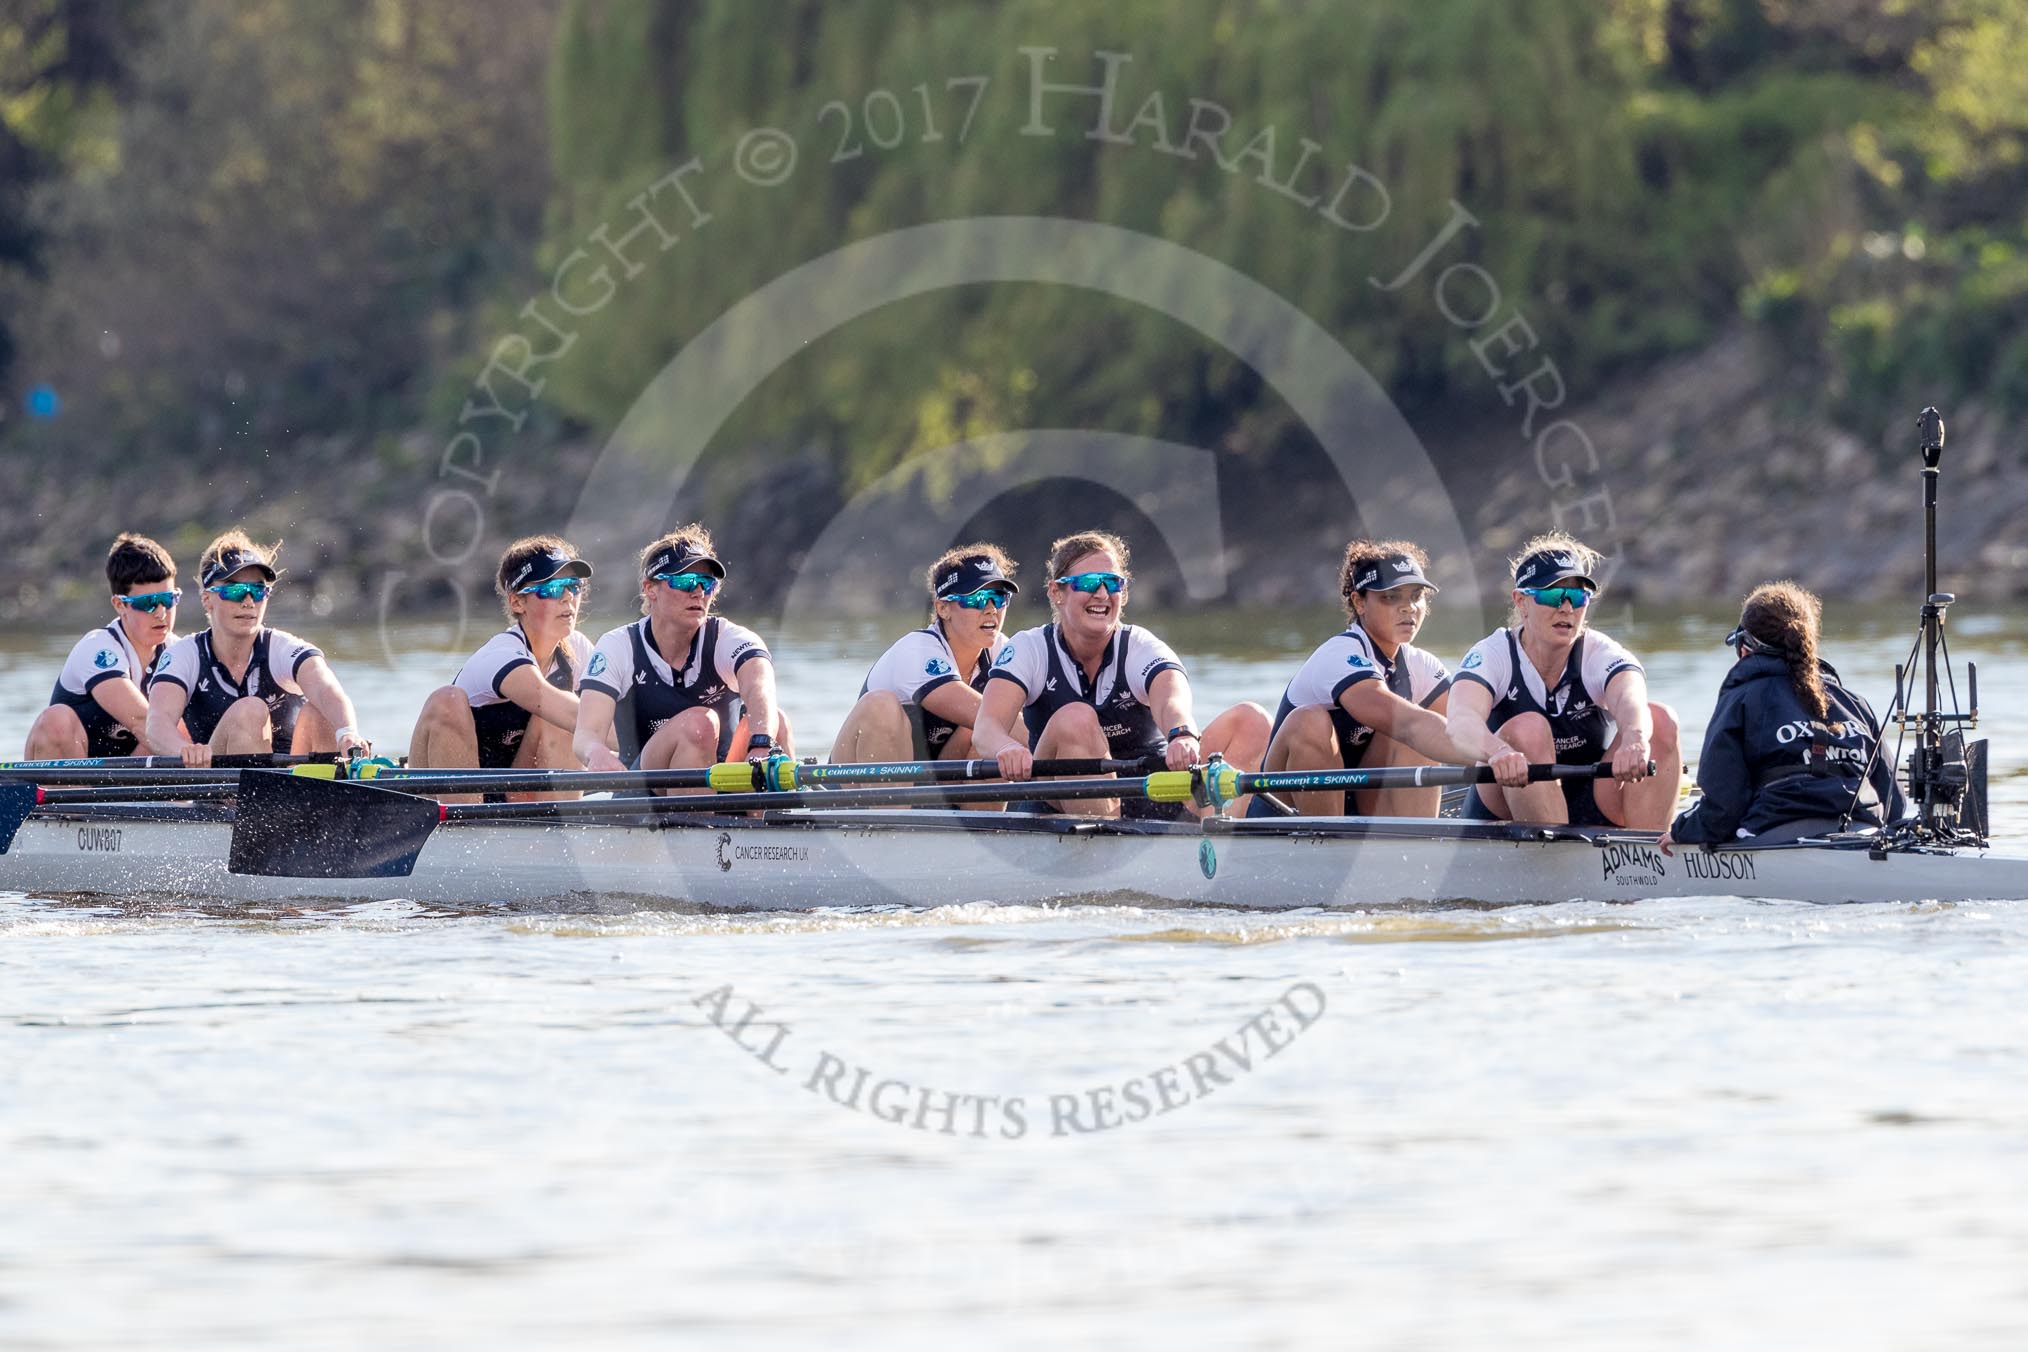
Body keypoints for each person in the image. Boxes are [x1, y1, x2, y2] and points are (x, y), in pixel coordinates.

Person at [971, 529, 1270, 818]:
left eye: (1113, 583)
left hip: (1155, 789)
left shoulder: (1140, 645)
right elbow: (986, 730)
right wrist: (1007, 748)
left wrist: (1182, 734)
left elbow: (1171, 698)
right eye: (1089, 582)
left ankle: (1213, 841)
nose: (1102, 593)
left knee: (1252, 720)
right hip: (1061, 799)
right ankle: (1106, 850)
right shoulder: (1030, 648)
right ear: (1056, 592)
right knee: (1076, 718)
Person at [1256, 540, 1527, 816]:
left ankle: (1418, 850)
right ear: (1359, 602)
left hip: (1356, 808)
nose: (1408, 607)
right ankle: (1329, 847)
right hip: (1281, 810)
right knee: (1314, 721)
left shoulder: (1420, 665)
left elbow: (1468, 724)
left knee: (1419, 736)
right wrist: (1494, 753)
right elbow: (1412, 725)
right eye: (1391, 596)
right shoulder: (1339, 654)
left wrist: (1516, 751)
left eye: (1416, 595)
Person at [1446, 532, 1682, 828]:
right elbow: (1460, 722)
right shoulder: (1493, 655)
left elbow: (1630, 699)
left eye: (1578, 596)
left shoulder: (1600, 652)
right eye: (1552, 595)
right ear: (1521, 601)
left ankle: (1648, 862)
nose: (1567, 608)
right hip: (1506, 807)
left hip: (1589, 802)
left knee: (1659, 720)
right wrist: (1499, 752)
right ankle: (1556, 862)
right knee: (1528, 729)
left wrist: (1635, 739)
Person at [1660, 581, 1906, 851]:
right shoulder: (1856, 703)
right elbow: (1895, 805)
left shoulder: (1741, 699)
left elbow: (1722, 810)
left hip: (1774, 836)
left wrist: (1683, 830)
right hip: (1862, 836)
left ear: (1744, 647)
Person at [574, 525, 792, 781]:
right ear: (650, 589)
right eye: (685, 581)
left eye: (706, 583)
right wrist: (597, 753)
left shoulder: (729, 638)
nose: (698, 592)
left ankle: (775, 815)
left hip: (727, 782)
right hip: (644, 790)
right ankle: (698, 816)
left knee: (775, 721)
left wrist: (761, 743)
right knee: (699, 724)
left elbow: (759, 684)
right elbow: (586, 735)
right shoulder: (618, 646)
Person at [145, 530, 370, 766]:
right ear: (207, 599)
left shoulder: (282, 648)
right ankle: (251, 801)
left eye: (258, 591)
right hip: (220, 786)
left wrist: (347, 732)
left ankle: (325, 797)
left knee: (323, 713)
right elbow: (157, 724)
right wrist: (184, 751)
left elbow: (325, 688)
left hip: (290, 785)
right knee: (250, 711)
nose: (248, 602)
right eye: (235, 591)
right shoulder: (184, 655)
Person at [407, 537, 599, 800]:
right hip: (456, 798)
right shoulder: (501, 654)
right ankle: (463, 829)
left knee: (564, 713)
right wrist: (633, 739)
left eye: (573, 586)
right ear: (517, 602)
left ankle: (556, 830)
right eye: (552, 588)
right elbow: (556, 704)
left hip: (515, 799)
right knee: (446, 699)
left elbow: (615, 711)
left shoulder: (577, 649)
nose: (568, 597)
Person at [831, 544, 1018, 763]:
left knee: (986, 730)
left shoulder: (1004, 651)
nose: (991, 609)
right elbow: (997, 719)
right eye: (975, 598)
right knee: (881, 705)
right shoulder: (916, 650)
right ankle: (892, 799)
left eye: (998, 597)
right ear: (943, 608)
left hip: (938, 781)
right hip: (858, 788)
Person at [25, 533, 181, 759]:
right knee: (56, 720)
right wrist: (192, 756)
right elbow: (142, 722)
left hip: (127, 779)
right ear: (120, 605)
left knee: (183, 719)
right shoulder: (97, 648)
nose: (161, 613)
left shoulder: (180, 651)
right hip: (74, 772)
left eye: (168, 600)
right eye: (147, 603)